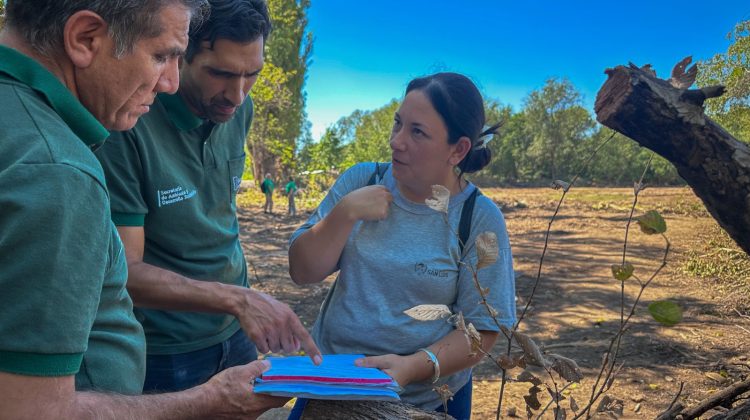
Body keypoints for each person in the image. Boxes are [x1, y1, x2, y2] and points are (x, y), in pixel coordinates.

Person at [0, 0, 286, 417]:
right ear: (85, 38)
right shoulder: (58, 172)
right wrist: (211, 399)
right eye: (163, 55)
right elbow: (34, 412)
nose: (169, 81)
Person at [95, 0, 321, 393]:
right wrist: (237, 299)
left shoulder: (238, 110)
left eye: (252, 75)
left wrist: (240, 304)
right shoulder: (131, 121)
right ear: (180, 55)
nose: (236, 96)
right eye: (220, 74)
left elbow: (218, 217)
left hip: (236, 333)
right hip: (164, 349)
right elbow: (124, 270)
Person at [288, 72, 517, 419]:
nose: (397, 141)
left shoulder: (478, 218)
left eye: (417, 132)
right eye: (398, 124)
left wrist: (411, 367)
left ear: (458, 149)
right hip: (333, 381)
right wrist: (344, 213)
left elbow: (482, 331)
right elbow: (302, 271)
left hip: (426, 399)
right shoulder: (360, 180)